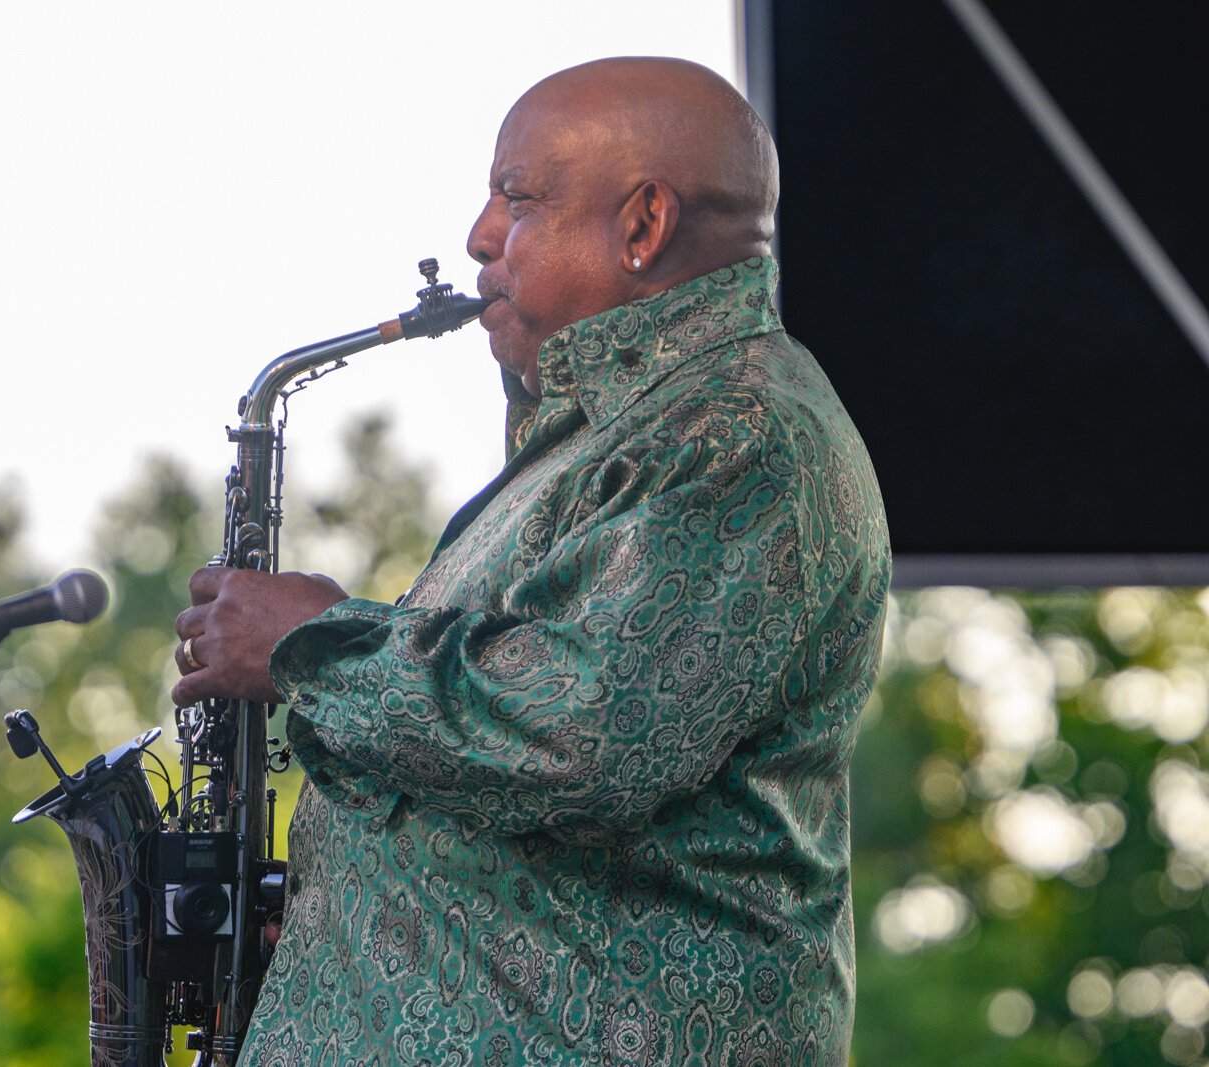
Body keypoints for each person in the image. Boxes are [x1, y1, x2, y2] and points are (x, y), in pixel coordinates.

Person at [172, 56, 889, 1066]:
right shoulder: (625, 428)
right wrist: (361, 916)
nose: (476, 237)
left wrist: (310, 645)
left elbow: (582, 731)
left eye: (516, 198)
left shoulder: (736, 427)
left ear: (642, 226)